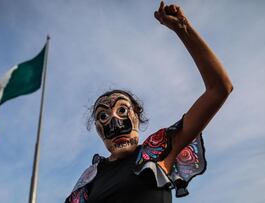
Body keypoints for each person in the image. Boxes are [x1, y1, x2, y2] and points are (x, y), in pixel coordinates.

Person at [65, 1, 234, 203]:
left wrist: (183, 29)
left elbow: (219, 89)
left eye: (122, 110)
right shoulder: (89, 179)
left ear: (137, 115)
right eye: (103, 116)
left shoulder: (158, 152)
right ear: (98, 129)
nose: (114, 123)